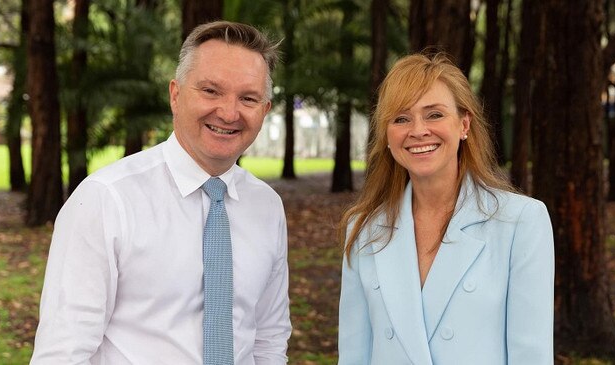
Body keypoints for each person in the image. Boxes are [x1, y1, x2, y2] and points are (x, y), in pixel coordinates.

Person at [30, 21, 291, 364]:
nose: (229, 112)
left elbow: (269, 340)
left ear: (265, 110)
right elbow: (62, 352)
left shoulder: (267, 207)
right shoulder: (106, 199)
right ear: (176, 95)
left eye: (248, 98)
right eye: (211, 91)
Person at [337, 53, 554, 364]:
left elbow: (531, 356)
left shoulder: (521, 222)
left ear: (464, 124)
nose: (418, 130)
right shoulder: (363, 229)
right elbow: (353, 355)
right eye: (401, 118)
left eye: (434, 114)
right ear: (386, 135)